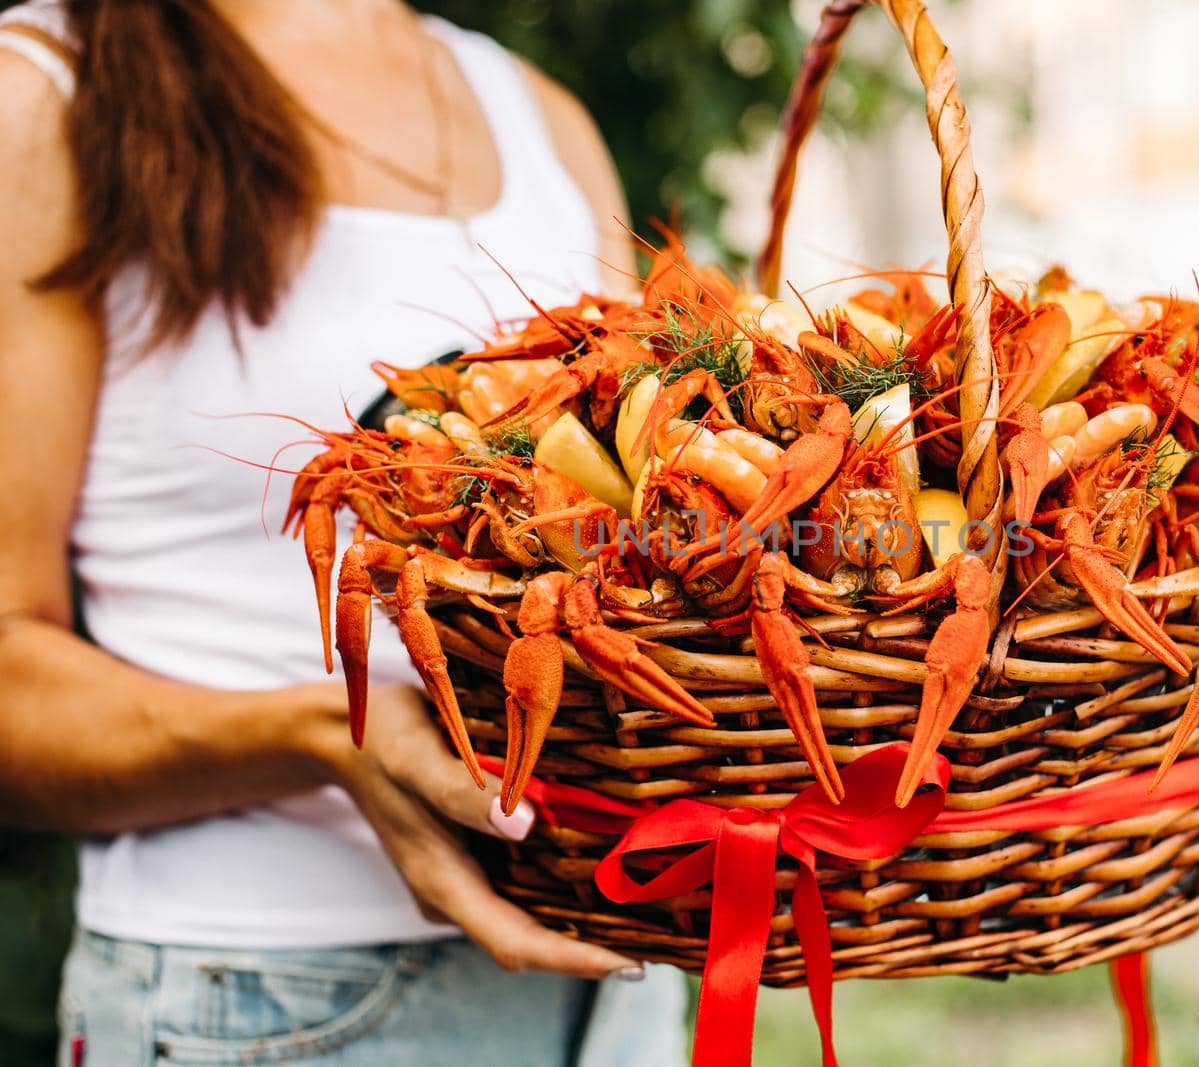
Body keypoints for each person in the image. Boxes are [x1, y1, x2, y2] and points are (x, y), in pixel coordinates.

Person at [0, 1, 686, 1062]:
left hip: (619, 980)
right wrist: (326, 735)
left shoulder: (537, 114)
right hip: (267, 994)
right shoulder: (48, 86)